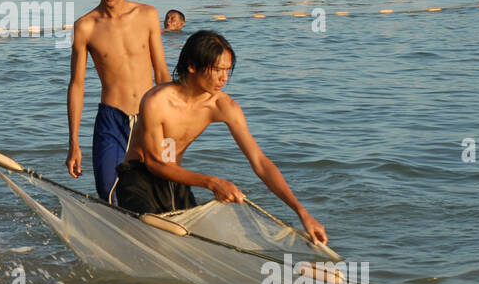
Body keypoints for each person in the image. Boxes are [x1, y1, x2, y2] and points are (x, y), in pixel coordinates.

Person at [112, 30, 327, 245]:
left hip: (177, 182)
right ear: (192, 66)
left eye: (227, 70)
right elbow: (155, 164)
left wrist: (302, 212)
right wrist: (213, 183)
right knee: (153, 237)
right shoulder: (156, 101)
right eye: (217, 70)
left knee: (194, 244)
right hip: (138, 179)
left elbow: (260, 163)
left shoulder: (223, 106)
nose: (224, 78)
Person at [66, 0, 171, 202]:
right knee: (108, 190)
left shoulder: (147, 15)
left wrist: (171, 122)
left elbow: (161, 72)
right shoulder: (85, 26)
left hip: (151, 116)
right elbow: (77, 85)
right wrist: (73, 143)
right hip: (111, 117)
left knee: (162, 190)